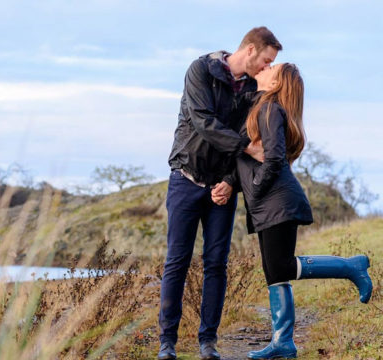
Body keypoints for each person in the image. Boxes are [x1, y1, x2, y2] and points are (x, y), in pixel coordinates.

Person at [212, 63, 373, 359]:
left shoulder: (270, 109)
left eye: (272, 66)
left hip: (277, 202)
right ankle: (282, 342)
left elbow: (272, 160)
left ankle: (351, 266)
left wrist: (256, 192)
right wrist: (229, 182)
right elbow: (249, 160)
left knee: (282, 266)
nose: (265, 66)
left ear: (277, 81)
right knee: (274, 272)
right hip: (269, 204)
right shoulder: (262, 108)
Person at [158, 27, 282, 360]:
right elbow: (203, 122)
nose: (267, 68)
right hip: (185, 179)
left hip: (222, 188)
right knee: (177, 262)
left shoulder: (254, 92)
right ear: (251, 50)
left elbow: (250, 135)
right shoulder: (202, 69)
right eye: (267, 61)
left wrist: (230, 181)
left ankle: (207, 343)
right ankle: (166, 343)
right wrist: (245, 146)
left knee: (216, 264)